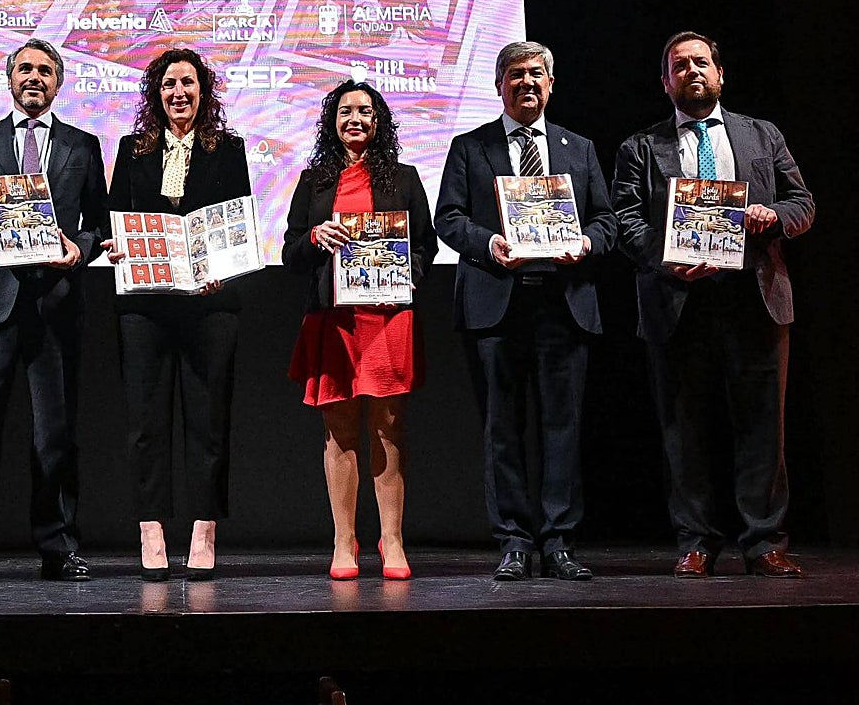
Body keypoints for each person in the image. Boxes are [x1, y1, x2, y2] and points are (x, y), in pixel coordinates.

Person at [611, 31, 814, 578]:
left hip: (754, 298)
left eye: (701, 63)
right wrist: (662, 258)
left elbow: (803, 203)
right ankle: (695, 540)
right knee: (684, 427)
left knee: (762, 426)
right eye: (679, 66)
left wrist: (774, 215)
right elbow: (626, 222)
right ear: (665, 82)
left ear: (720, 74)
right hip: (677, 303)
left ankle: (764, 540)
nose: (692, 71)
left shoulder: (762, 135)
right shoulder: (640, 147)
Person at [433, 41, 616, 581]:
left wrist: (584, 244)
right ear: (498, 86)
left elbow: (606, 222)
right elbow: (448, 217)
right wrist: (490, 244)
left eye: (537, 74)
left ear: (551, 84)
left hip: (564, 303)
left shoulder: (578, 149)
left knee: (563, 424)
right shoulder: (470, 147)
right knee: (502, 428)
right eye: (516, 75)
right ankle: (513, 539)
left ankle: (558, 541)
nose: (527, 83)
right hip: (496, 302)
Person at [0, 39, 108, 584]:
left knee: (53, 435)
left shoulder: (83, 145)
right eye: (25, 70)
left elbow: (100, 224)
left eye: (45, 71)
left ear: (58, 83)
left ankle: (58, 546)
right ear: (10, 79)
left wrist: (79, 248)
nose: (34, 78)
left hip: (55, 304)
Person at [101, 48, 252, 581]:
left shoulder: (228, 150)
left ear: (203, 91)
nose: (178, 93)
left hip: (211, 305)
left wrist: (226, 266)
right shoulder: (133, 149)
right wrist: (115, 244)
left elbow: (239, 222)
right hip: (144, 305)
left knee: (208, 421)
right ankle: (151, 529)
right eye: (168, 85)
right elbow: (113, 216)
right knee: (145, 422)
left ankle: (204, 529)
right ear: (156, 94)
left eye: (188, 83)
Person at [282, 80, 437, 580]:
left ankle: (391, 539)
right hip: (334, 320)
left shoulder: (405, 178)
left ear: (379, 121)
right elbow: (289, 253)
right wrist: (314, 235)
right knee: (340, 432)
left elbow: (426, 248)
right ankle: (342, 540)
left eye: (366, 112)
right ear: (332, 121)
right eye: (346, 111)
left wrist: (400, 277)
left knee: (388, 430)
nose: (356, 119)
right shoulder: (314, 181)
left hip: (388, 318)